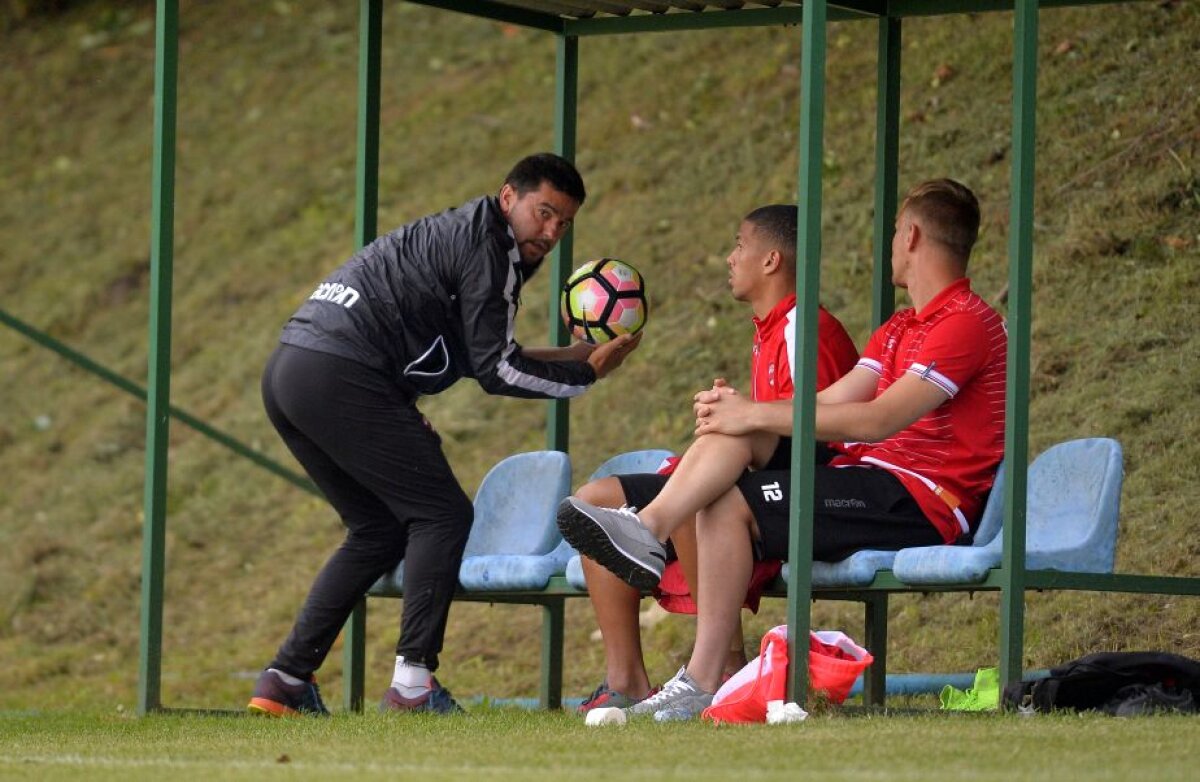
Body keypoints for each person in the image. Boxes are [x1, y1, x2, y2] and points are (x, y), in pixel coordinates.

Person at [558, 178, 1006, 720]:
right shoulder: (897, 328)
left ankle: (701, 661)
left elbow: (877, 419)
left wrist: (752, 412)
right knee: (733, 446)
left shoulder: (965, 323)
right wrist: (743, 412)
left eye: (892, 232)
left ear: (910, 236)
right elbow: (829, 400)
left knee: (732, 473)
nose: (889, 243)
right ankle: (659, 559)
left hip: (922, 498)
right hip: (871, 479)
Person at [248, 153, 640, 717]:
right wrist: (585, 375)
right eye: (544, 213)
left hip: (293, 370)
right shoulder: (490, 251)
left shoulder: (464, 234)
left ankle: (284, 680)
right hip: (341, 374)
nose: (551, 232)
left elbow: (482, 353)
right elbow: (496, 371)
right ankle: (412, 687)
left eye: (565, 223)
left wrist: (573, 357)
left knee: (377, 531)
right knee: (444, 515)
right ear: (508, 198)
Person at [573, 204, 859, 712]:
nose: (730, 258)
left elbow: (824, 431)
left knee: (701, 491)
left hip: (808, 485)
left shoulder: (807, 327)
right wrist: (735, 410)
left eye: (738, 245)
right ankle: (626, 680)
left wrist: (742, 417)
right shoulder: (768, 328)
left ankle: (726, 667)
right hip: (761, 465)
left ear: (771, 260)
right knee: (594, 500)